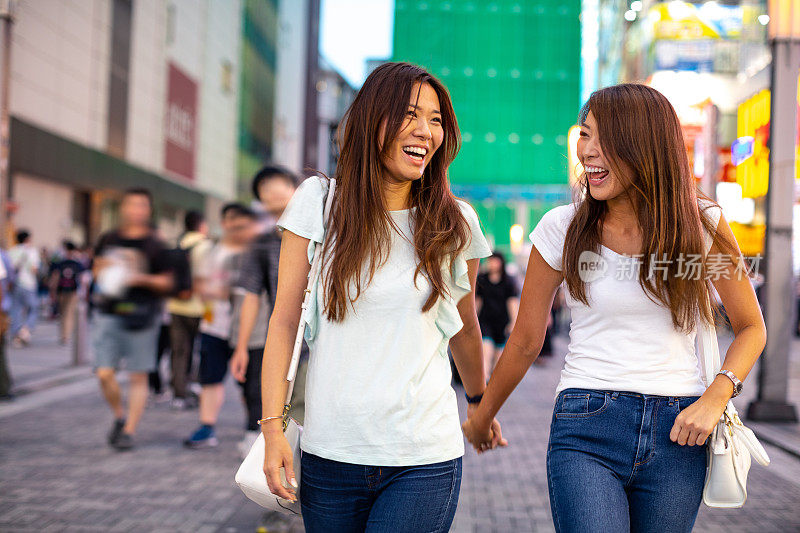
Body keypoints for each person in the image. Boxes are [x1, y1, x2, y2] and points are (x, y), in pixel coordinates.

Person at [462, 84, 767, 533]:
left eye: (604, 139)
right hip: (586, 424)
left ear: (646, 146)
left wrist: (715, 399)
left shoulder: (703, 225)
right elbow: (527, 340)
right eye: (585, 135)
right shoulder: (560, 229)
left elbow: (751, 327)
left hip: (680, 431)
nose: (588, 152)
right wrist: (481, 416)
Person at [260, 62, 505, 532]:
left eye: (436, 120)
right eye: (411, 114)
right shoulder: (319, 202)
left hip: (424, 458)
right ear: (373, 119)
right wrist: (273, 430)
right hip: (330, 456)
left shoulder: (455, 223)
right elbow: (285, 322)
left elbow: (465, 327)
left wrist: (478, 402)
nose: (426, 131)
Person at [230, 165, 303, 457]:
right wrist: (242, 347)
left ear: (295, 189)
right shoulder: (261, 244)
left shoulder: (324, 227)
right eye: (264, 188)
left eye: (279, 184)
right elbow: (251, 297)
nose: (272, 191)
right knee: (288, 411)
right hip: (284, 340)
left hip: (320, 338)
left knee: (302, 411)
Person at [92, 188, 173, 451]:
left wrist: (138, 277)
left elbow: (168, 281)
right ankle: (119, 414)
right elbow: (96, 270)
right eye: (131, 205)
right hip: (109, 312)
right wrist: (109, 270)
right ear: (123, 208)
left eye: (142, 206)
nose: (136, 210)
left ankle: (128, 430)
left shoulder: (156, 244)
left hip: (142, 315)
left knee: (138, 376)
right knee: (104, 373)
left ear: (148, 210)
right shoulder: (109, 238)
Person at [184, 203, 257, 448]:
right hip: (213, 326)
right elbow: (199, 285)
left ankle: (253, 431)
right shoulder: (211, 250)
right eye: (231, 221)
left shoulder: (255, 252)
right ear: (224, 223)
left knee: (250, 383)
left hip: (247, 331)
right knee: (210, 378)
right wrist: (213, 290)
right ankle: (207, 427)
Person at [166, 211, 211, 409]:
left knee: (178, 351)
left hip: (175, 305)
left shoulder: (177, 244)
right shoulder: (206, 246)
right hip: (201, 306)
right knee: (203, 349)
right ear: (201, 225)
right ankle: (198, 386)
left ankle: (178, 395)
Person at [476, 251, 520, 379]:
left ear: (501, 263)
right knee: (486, 351)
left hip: (502, 323)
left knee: (498, 358)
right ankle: (484, 381)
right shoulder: (482, 279)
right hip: (485, 321)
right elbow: (477, 301)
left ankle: (492, 384)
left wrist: (513, 322)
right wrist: (474, 320)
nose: (492, 264)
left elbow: (512, 303)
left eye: (495, 261)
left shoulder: (508, 281)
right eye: (490, 261)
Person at [49, 241, 86, 345]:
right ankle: (66, 335)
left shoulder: (59, 264)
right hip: (73, 291)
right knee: (69, 314)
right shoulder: (77, 264)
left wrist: (53, 293)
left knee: (63, 313)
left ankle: (63, 335)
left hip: (61, 291)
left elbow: (54, 280)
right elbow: (83, 280)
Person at [8, 230, 41, 347]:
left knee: (16, 309)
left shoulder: (12, 251)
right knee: (33, 308)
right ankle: (25, 329)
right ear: (27, 239)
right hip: (29, 284)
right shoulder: (32, 251)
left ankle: (16, 334)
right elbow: (34, 269)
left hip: (15, 284)